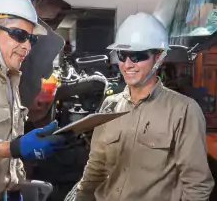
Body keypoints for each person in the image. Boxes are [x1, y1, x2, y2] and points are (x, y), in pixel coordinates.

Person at [74, 12, 214, 201]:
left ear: (159, 58)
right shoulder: (110, 105)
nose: (127, 64)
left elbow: (197, 184)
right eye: (122, 55)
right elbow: (96, 168)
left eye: (138, 56)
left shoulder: (183, 110)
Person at [0, 0, 66, 200]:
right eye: (19, 35)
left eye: (31, 39)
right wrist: (13, 148)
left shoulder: (10, 79)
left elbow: (8, 137)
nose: (27, 46)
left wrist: (16, 184)